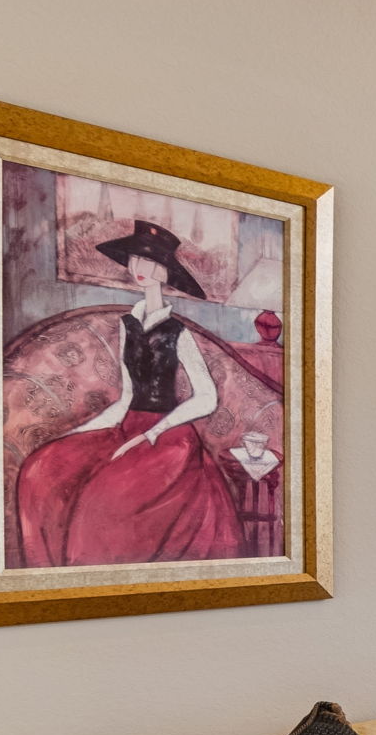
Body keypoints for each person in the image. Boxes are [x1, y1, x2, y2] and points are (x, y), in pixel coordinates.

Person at [13, 221, 245, 566]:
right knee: (40, 469)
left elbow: (207, 398)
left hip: (170, 439)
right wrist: (78, 432)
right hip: (128, 426)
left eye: (151, 263)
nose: (141, 269)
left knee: (103, 498)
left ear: (167, 273)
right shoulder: (128, 325)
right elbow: (126, 397)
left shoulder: (177, 331)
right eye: (136, 260)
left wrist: (153, 432)